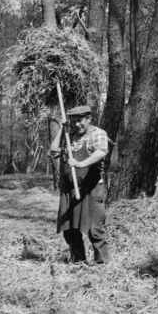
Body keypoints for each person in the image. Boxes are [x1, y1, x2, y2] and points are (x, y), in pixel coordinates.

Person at [50, 105, 110, 265]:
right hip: (69, 190)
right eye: (74, 121)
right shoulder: (70, 136)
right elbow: (54, 150)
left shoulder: (98, 133)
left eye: (80, 121)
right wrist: (63, 130)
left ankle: (102, 265)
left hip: (91, 189)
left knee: (94, 229)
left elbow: (101, 152)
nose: (77, 125)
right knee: (69, 230)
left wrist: (80, 163)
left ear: (89, 119)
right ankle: (78, 262)